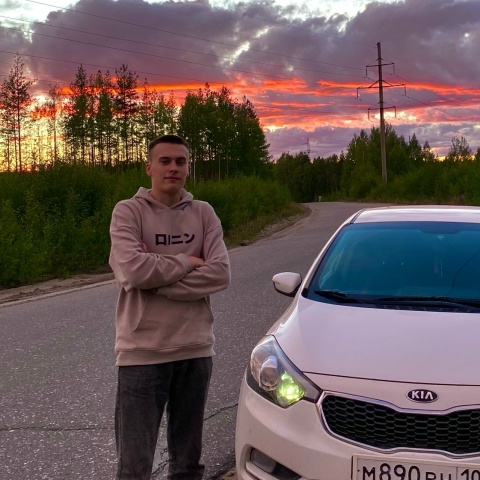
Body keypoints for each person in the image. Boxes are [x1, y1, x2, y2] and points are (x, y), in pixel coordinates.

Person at [109, 134, 231, 480]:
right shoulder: (128, 211)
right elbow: (132, 270)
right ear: (149, 167)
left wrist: (156, 282)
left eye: (180, 161)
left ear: (188, 168)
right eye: (164, 161)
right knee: (135, 467)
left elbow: (220, 273)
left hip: (195, 350)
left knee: (188, 464)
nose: (173, 168)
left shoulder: (203, 213)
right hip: (141, 353)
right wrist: (186, 262)